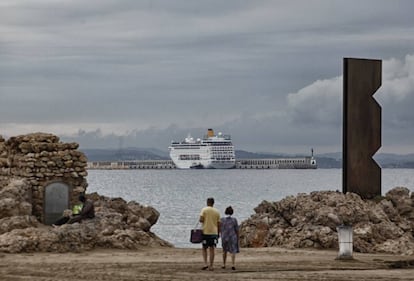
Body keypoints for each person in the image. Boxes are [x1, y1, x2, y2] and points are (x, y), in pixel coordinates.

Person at [199, 197, 220, 271]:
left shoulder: (204, 209)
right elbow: (218, 223)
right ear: (213, 203)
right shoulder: (217, 211)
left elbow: (201, 220)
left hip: (205, 231)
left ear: (207, 202)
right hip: (214, 232)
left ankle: (205, 263)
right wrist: (218, 233)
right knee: (212, 248)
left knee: (204, 248)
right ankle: (211, 265)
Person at [220, 206, 240, 270]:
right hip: (232, 236)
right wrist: (238, 237)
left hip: (224, 236)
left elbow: (220, 228)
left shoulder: (222, 219)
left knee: (224, 251)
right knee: (232, 251)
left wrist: (220, 234)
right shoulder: (234, 220)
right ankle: (233, 264)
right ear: (232, 212)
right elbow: (237, 229)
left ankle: (223, 264)